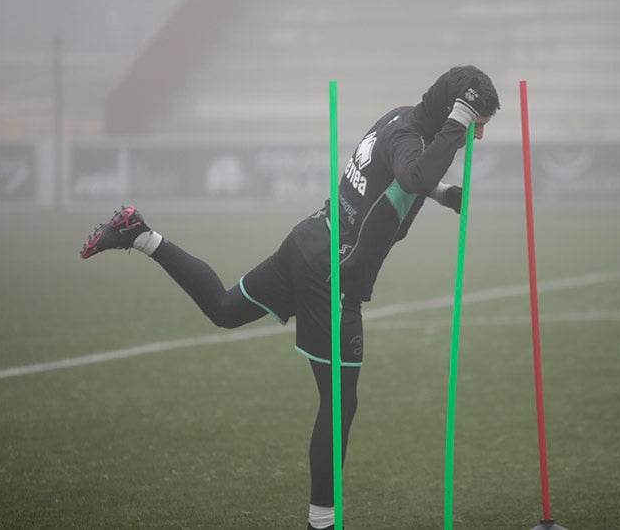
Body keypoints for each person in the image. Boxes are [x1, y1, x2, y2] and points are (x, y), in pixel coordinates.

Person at [79, 66, 499, 530]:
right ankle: (320, 525)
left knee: (223, 308)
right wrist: (457, 126)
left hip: (307, 240)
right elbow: (413, 172)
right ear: (453, 109)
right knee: (340, 404)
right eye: (477, 124)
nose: (477, 137)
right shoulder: (414, 139)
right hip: (333, 273)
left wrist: (442, 194)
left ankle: (139, 234)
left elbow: (400, 176)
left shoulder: (399, 119)